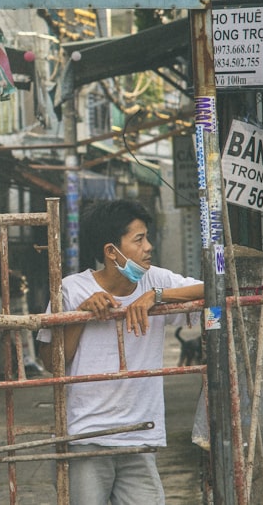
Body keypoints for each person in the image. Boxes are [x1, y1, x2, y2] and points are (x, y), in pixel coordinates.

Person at [36, 199, 203, 505]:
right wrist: (82, 316)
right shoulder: (72, 290)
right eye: (139, 239)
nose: (148, 247)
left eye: (147, 237)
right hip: (86, 437)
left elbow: (214, 289)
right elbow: (51, 363)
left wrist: (157, 296)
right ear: (111, 251)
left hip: (139, 435)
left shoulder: (155, 280)